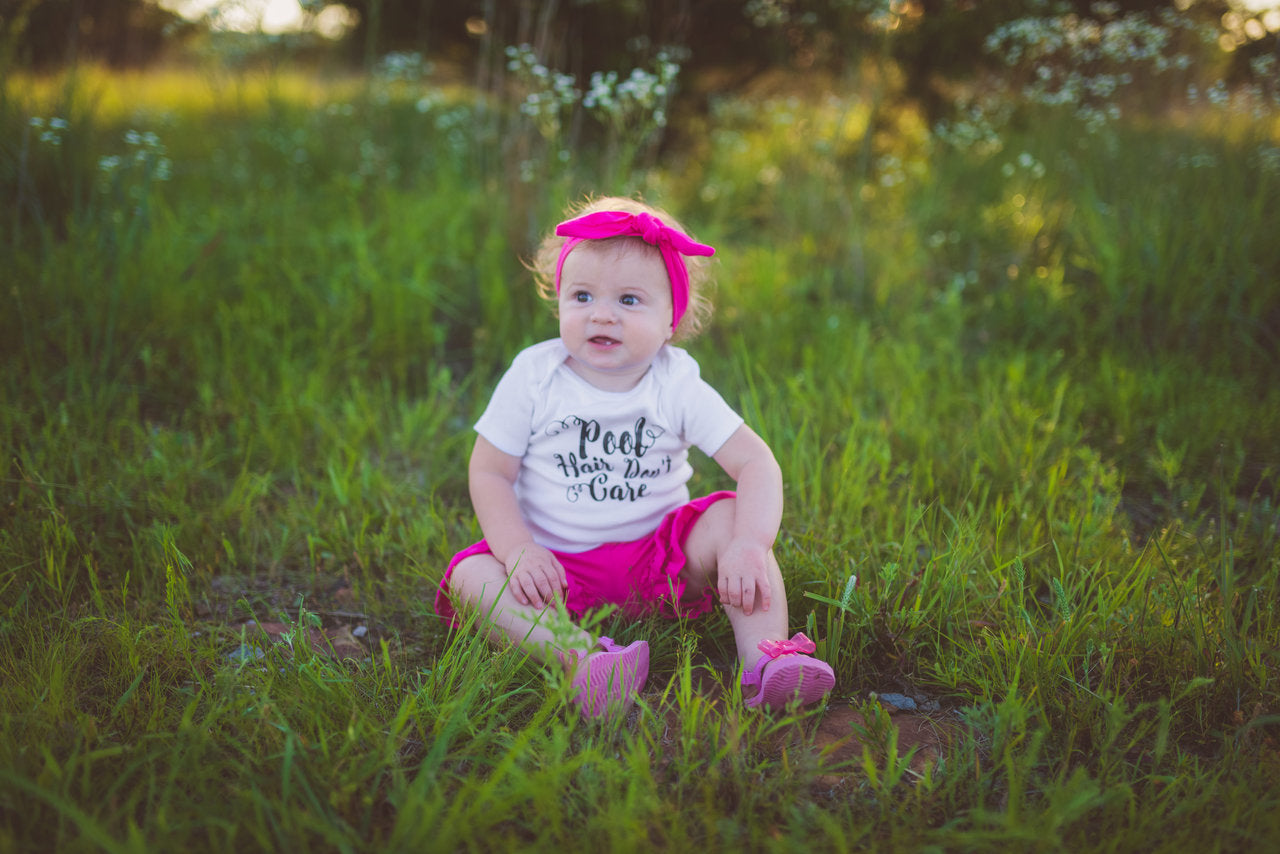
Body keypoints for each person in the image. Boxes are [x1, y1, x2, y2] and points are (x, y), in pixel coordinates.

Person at [435, 196, 834, 718]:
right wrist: (517, 551)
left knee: (732, 518)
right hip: (555, 569)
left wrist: (750, 543)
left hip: (661, 563)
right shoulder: (535, 375)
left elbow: (756, 463)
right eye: (581, 296)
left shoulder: (676, 381)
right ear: (559, 302)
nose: (601, 313)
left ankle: (766, 660)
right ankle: (580, 657)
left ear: (672, 319)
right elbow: (490, 471)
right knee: (472, 576)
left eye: (628, 300)